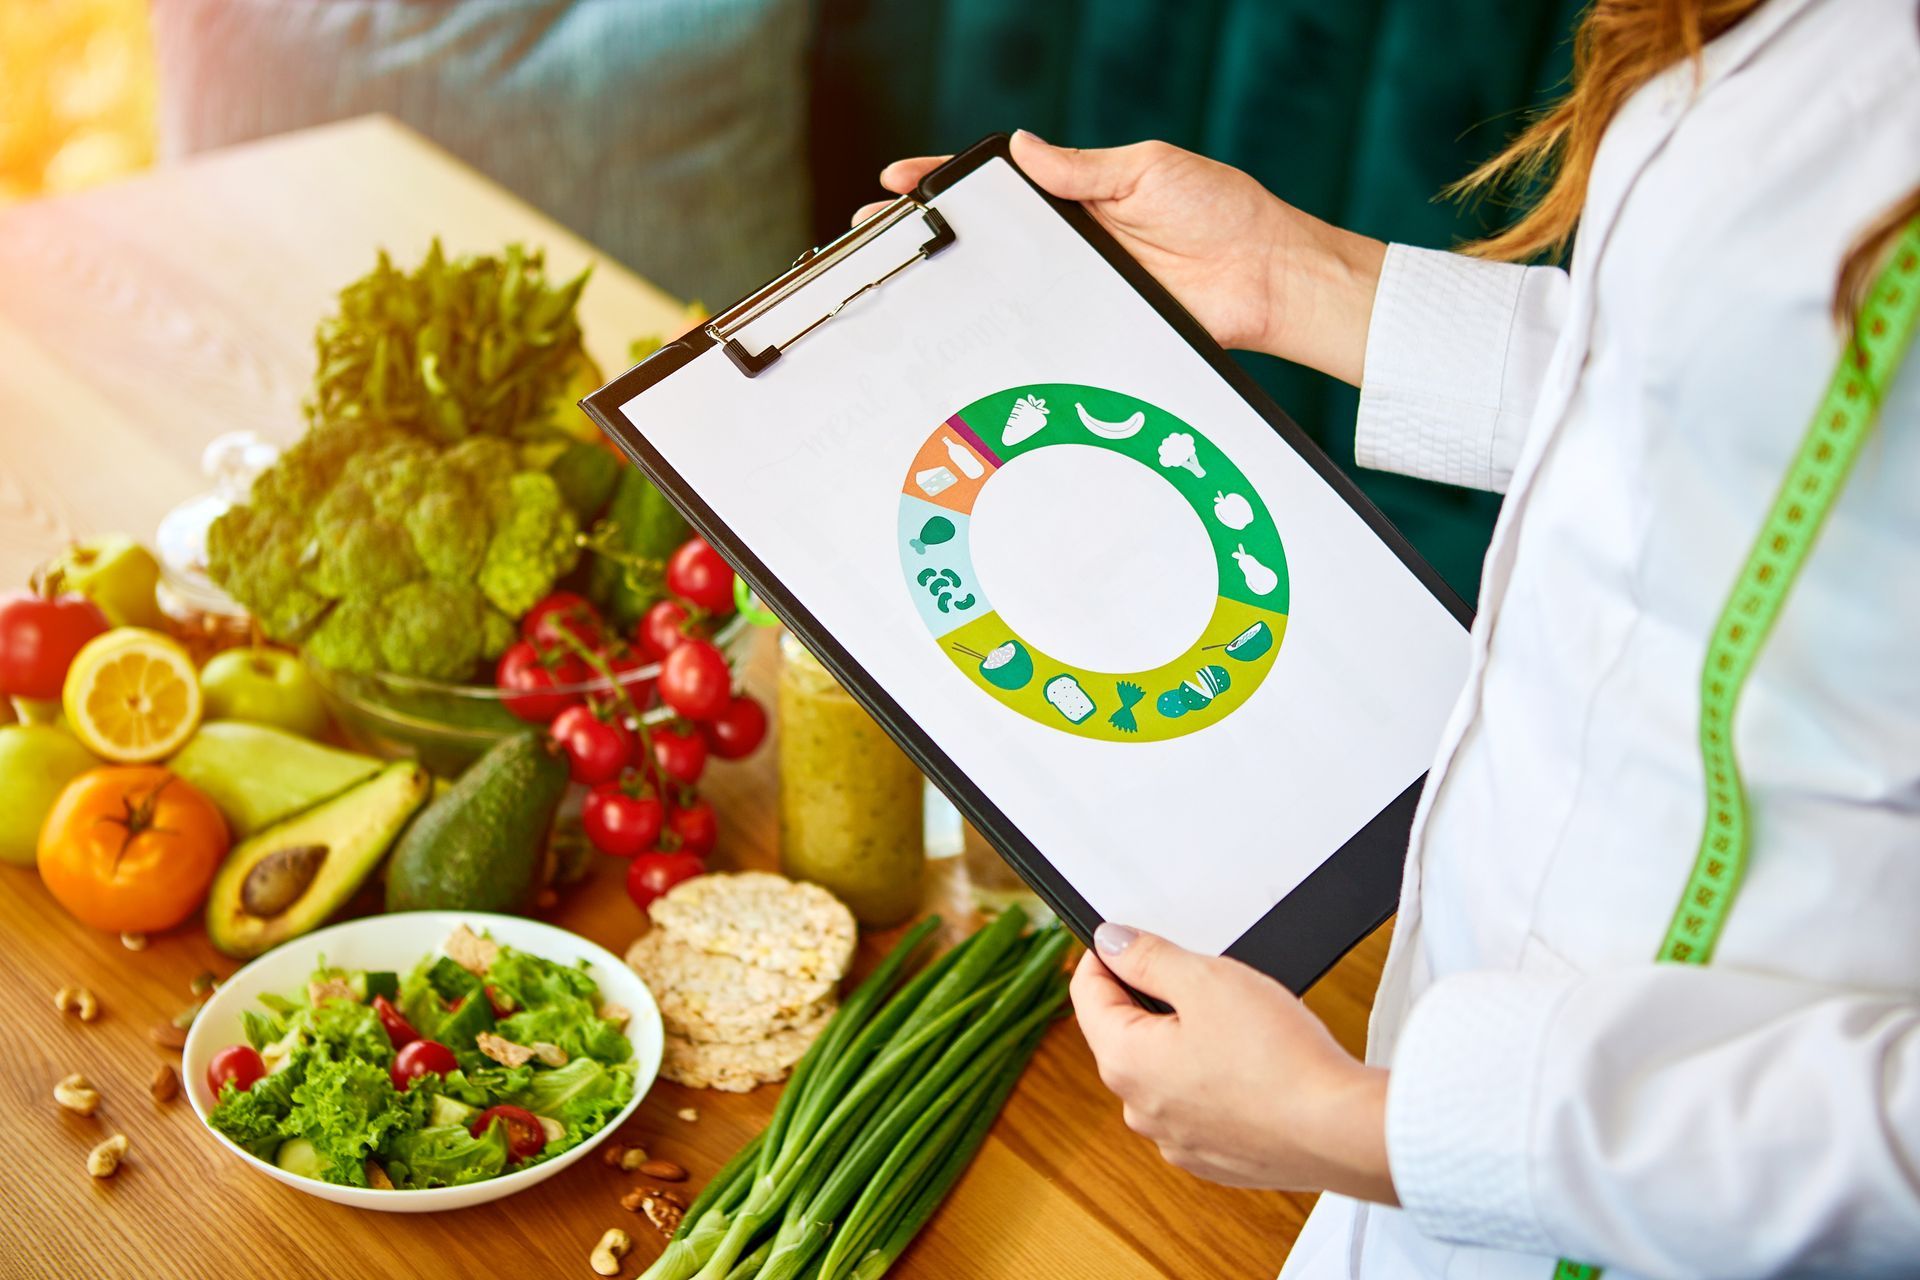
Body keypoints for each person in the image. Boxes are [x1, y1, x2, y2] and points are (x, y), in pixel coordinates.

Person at [863, 0, 1920, 1275]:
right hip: (1439, 1095)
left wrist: (1365, 1126)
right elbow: (1720, 408)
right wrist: (1289, 276)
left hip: (1679, 1201)